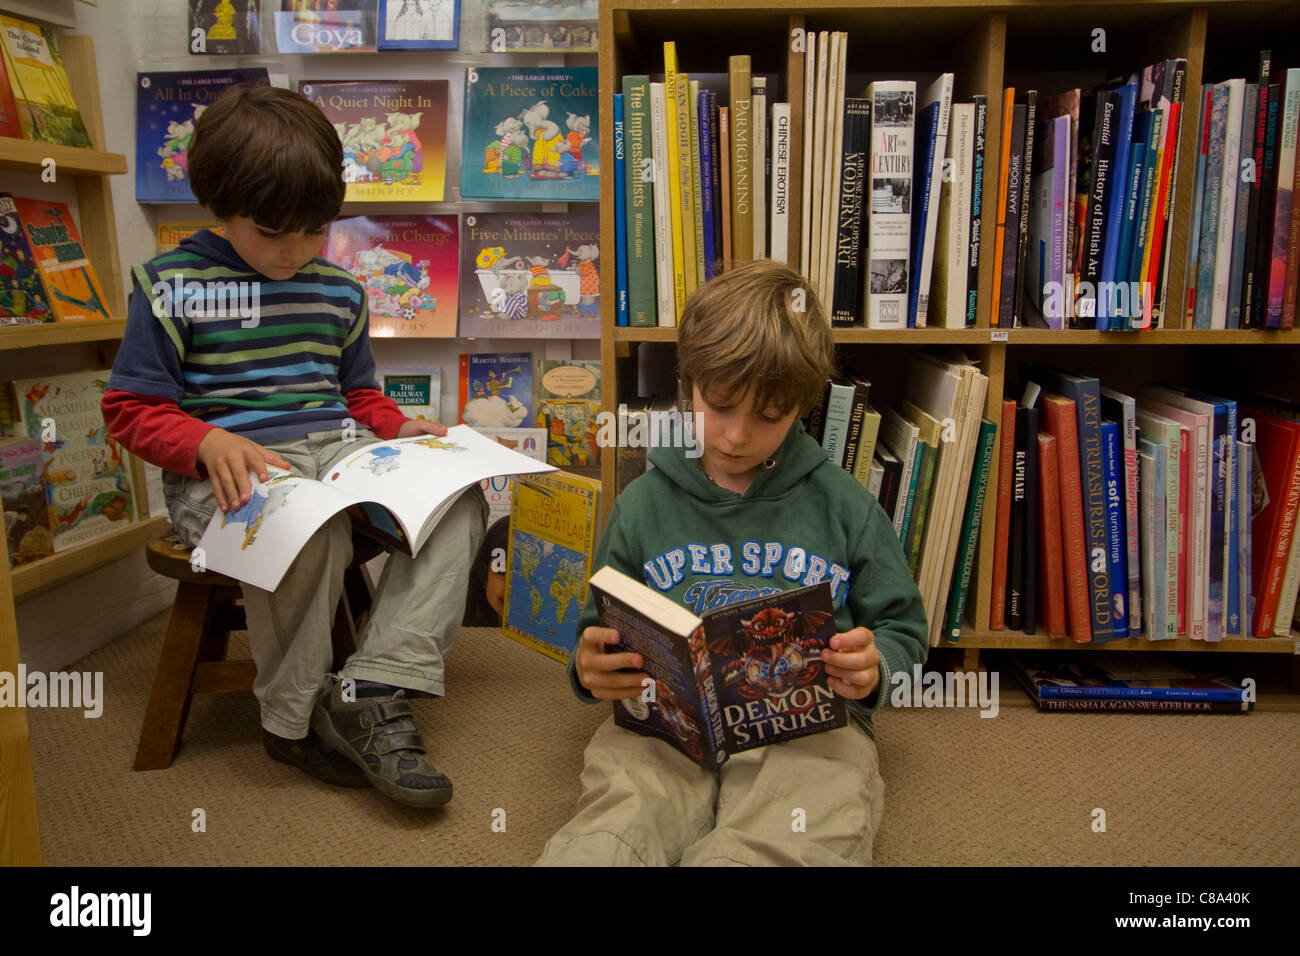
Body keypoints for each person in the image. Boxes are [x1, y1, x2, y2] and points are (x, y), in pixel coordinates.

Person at [102, 85, 486, 809]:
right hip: (227, 475)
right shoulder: (169, 285)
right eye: (273, 234)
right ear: (219, 203)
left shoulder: (340, 290)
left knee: (458, 500)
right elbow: (130, 411)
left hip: (336, 452)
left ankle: (371, 684)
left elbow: (359, 396)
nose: (295, 252)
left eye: (314, 232)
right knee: (305, 528)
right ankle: (289, 721)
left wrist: (405, 429)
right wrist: (207, 439)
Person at [536, 260, 929, 865]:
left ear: (802, 405)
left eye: (768, 417)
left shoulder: (845, 505)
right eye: (718, 405)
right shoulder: (643, 502)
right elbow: (598, 628)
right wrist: (590, 667)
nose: (736, 436)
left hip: (806, 723)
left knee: (798, 827)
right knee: (620, 816)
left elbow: (903, 630)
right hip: (668, 721)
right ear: (689, 382)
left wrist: (876, 669)